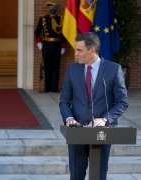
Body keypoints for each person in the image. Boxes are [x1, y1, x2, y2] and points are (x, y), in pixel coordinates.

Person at [59, 32, 128, 180]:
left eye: (79, 50)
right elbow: (64, 100)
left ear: (92, 51)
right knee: (76, 176)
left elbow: (122, 102)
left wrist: (105, 119)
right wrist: (69, 118)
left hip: (102, 132)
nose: (75, 54)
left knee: (98, 176)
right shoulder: (72, 69)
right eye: (75, 50)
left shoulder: (113, 69)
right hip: (77, 132)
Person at [35, 0, 66, 93]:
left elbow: (63, 34)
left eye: (53, 8)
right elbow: (37, 32)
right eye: (50, 8)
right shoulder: (43, 18)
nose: (52, 9)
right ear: (48, 9)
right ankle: (47, 87)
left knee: (56, 67)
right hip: (46, 45)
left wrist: (63, 46)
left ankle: (54, 87)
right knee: (47, 66)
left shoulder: (60, 19)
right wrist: (39, 44)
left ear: (55, 9)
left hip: (57, 45)